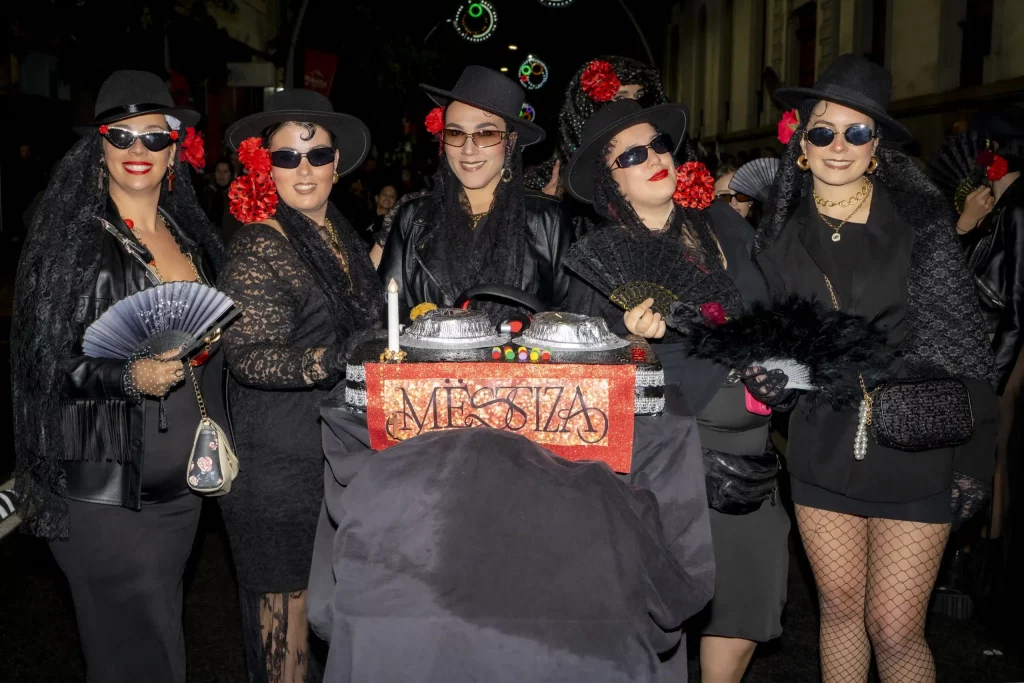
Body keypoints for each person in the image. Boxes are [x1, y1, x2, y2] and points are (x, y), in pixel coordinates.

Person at [755, 54, 998, 683]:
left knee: (895, 628)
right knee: (838, 613)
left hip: (916, 442)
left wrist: (976, 459)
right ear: (801, 145)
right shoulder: (778, 238)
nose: (838, 146)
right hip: (822, 441)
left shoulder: (920, 223)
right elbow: (783, 346)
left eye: (856, 131)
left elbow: (964, 346)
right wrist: (775, 378)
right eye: (823, 131)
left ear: (877, 146)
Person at [562, 99, 791, 683]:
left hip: (747, 458)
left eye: (658, 144)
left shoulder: (725, 225)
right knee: (652, 629)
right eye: (631, 156)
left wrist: (779, 367)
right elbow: (579, 369)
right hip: (663, 465)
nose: (653, 158)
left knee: (741, 616)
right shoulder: (600, 260)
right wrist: (626, 336)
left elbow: (775, 314)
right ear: (611, 183)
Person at [10, 70, 226, 683]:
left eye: (153, 137)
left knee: (160, 647)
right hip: (104, 493)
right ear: (98, 146)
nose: (138, 150)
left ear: (175, 149)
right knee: (135, 658)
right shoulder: (72, 246)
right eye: (121, 136)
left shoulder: (187, 237)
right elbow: (43, 367)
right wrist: (129, 377)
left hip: (181, 493)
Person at [218, 88, 383, 683]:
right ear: (266, 167)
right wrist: (335, 359)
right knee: (283, 632)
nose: (304, 170)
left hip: (333, 455)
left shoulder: (338, 232)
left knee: (324, 619)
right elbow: (249, 358)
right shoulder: (258, 244)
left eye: (317, 155)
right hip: (278, 467)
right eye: (286, 157)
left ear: (337, 163)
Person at [378, 66, 571, 321]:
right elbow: (386, 316)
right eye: (456, 133)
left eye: (485, 134)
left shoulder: (547, 220)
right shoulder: (413, 219)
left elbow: (570, 320)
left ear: (510, 141)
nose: (468, 150)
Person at [956, 107, 1024, 599]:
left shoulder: (1018, 208)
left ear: (997, 153)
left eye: (986, 149)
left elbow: (1018, 301)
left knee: (993, 453)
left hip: (1005, 350)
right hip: (990, 344)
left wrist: (993, 375)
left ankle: (988, 571)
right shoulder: (1000, 206)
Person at [525, 55, 670, 196]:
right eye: (620, 98)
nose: (632, 106)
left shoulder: (662, 158)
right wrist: (545, 205)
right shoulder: (547, 179)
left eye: (638, 96)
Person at [201, 157, 242, 242]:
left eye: (225, 172)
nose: (221, 175)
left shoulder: (237, 198)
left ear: (231, 175)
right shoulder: (206, 194)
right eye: (218, 171)